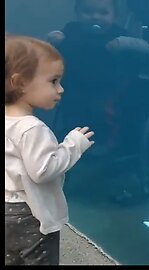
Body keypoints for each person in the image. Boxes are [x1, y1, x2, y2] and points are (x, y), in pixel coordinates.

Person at [5, 34, 95, 265]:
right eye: (53, 81)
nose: (61, 89)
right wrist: (73, 145)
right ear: (19, 83)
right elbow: (43, 170)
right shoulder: (32, 128)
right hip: (29, 213)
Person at [46, 0, 149, 155]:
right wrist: (55, 37)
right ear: (77, 14)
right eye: (87, 12)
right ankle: (74, 143)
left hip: (109, 86)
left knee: (105, 115)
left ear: (114, 16)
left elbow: (145, 47)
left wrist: (123, 42)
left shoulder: (118, 33)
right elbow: (49, 45)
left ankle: (106, 143)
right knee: (74, 113)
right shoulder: (72, 30)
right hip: (76, 85)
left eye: (103, 13)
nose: (95, 17)